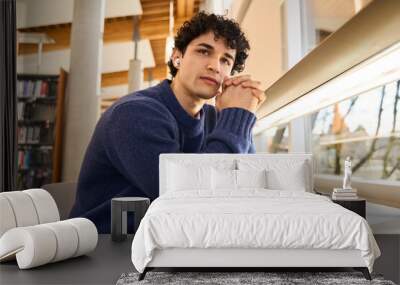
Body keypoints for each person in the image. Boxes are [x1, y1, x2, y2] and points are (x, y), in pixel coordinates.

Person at [69, 12, 266, 233]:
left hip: (166, 240)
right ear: (177, 57)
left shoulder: (216, 119)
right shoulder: (135, 114)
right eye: (204, 51)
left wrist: (237, 117)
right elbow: (190, 200)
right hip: (105, 247)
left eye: (225, 60)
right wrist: (237, 115)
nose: (214, 66)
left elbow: (245, 188)